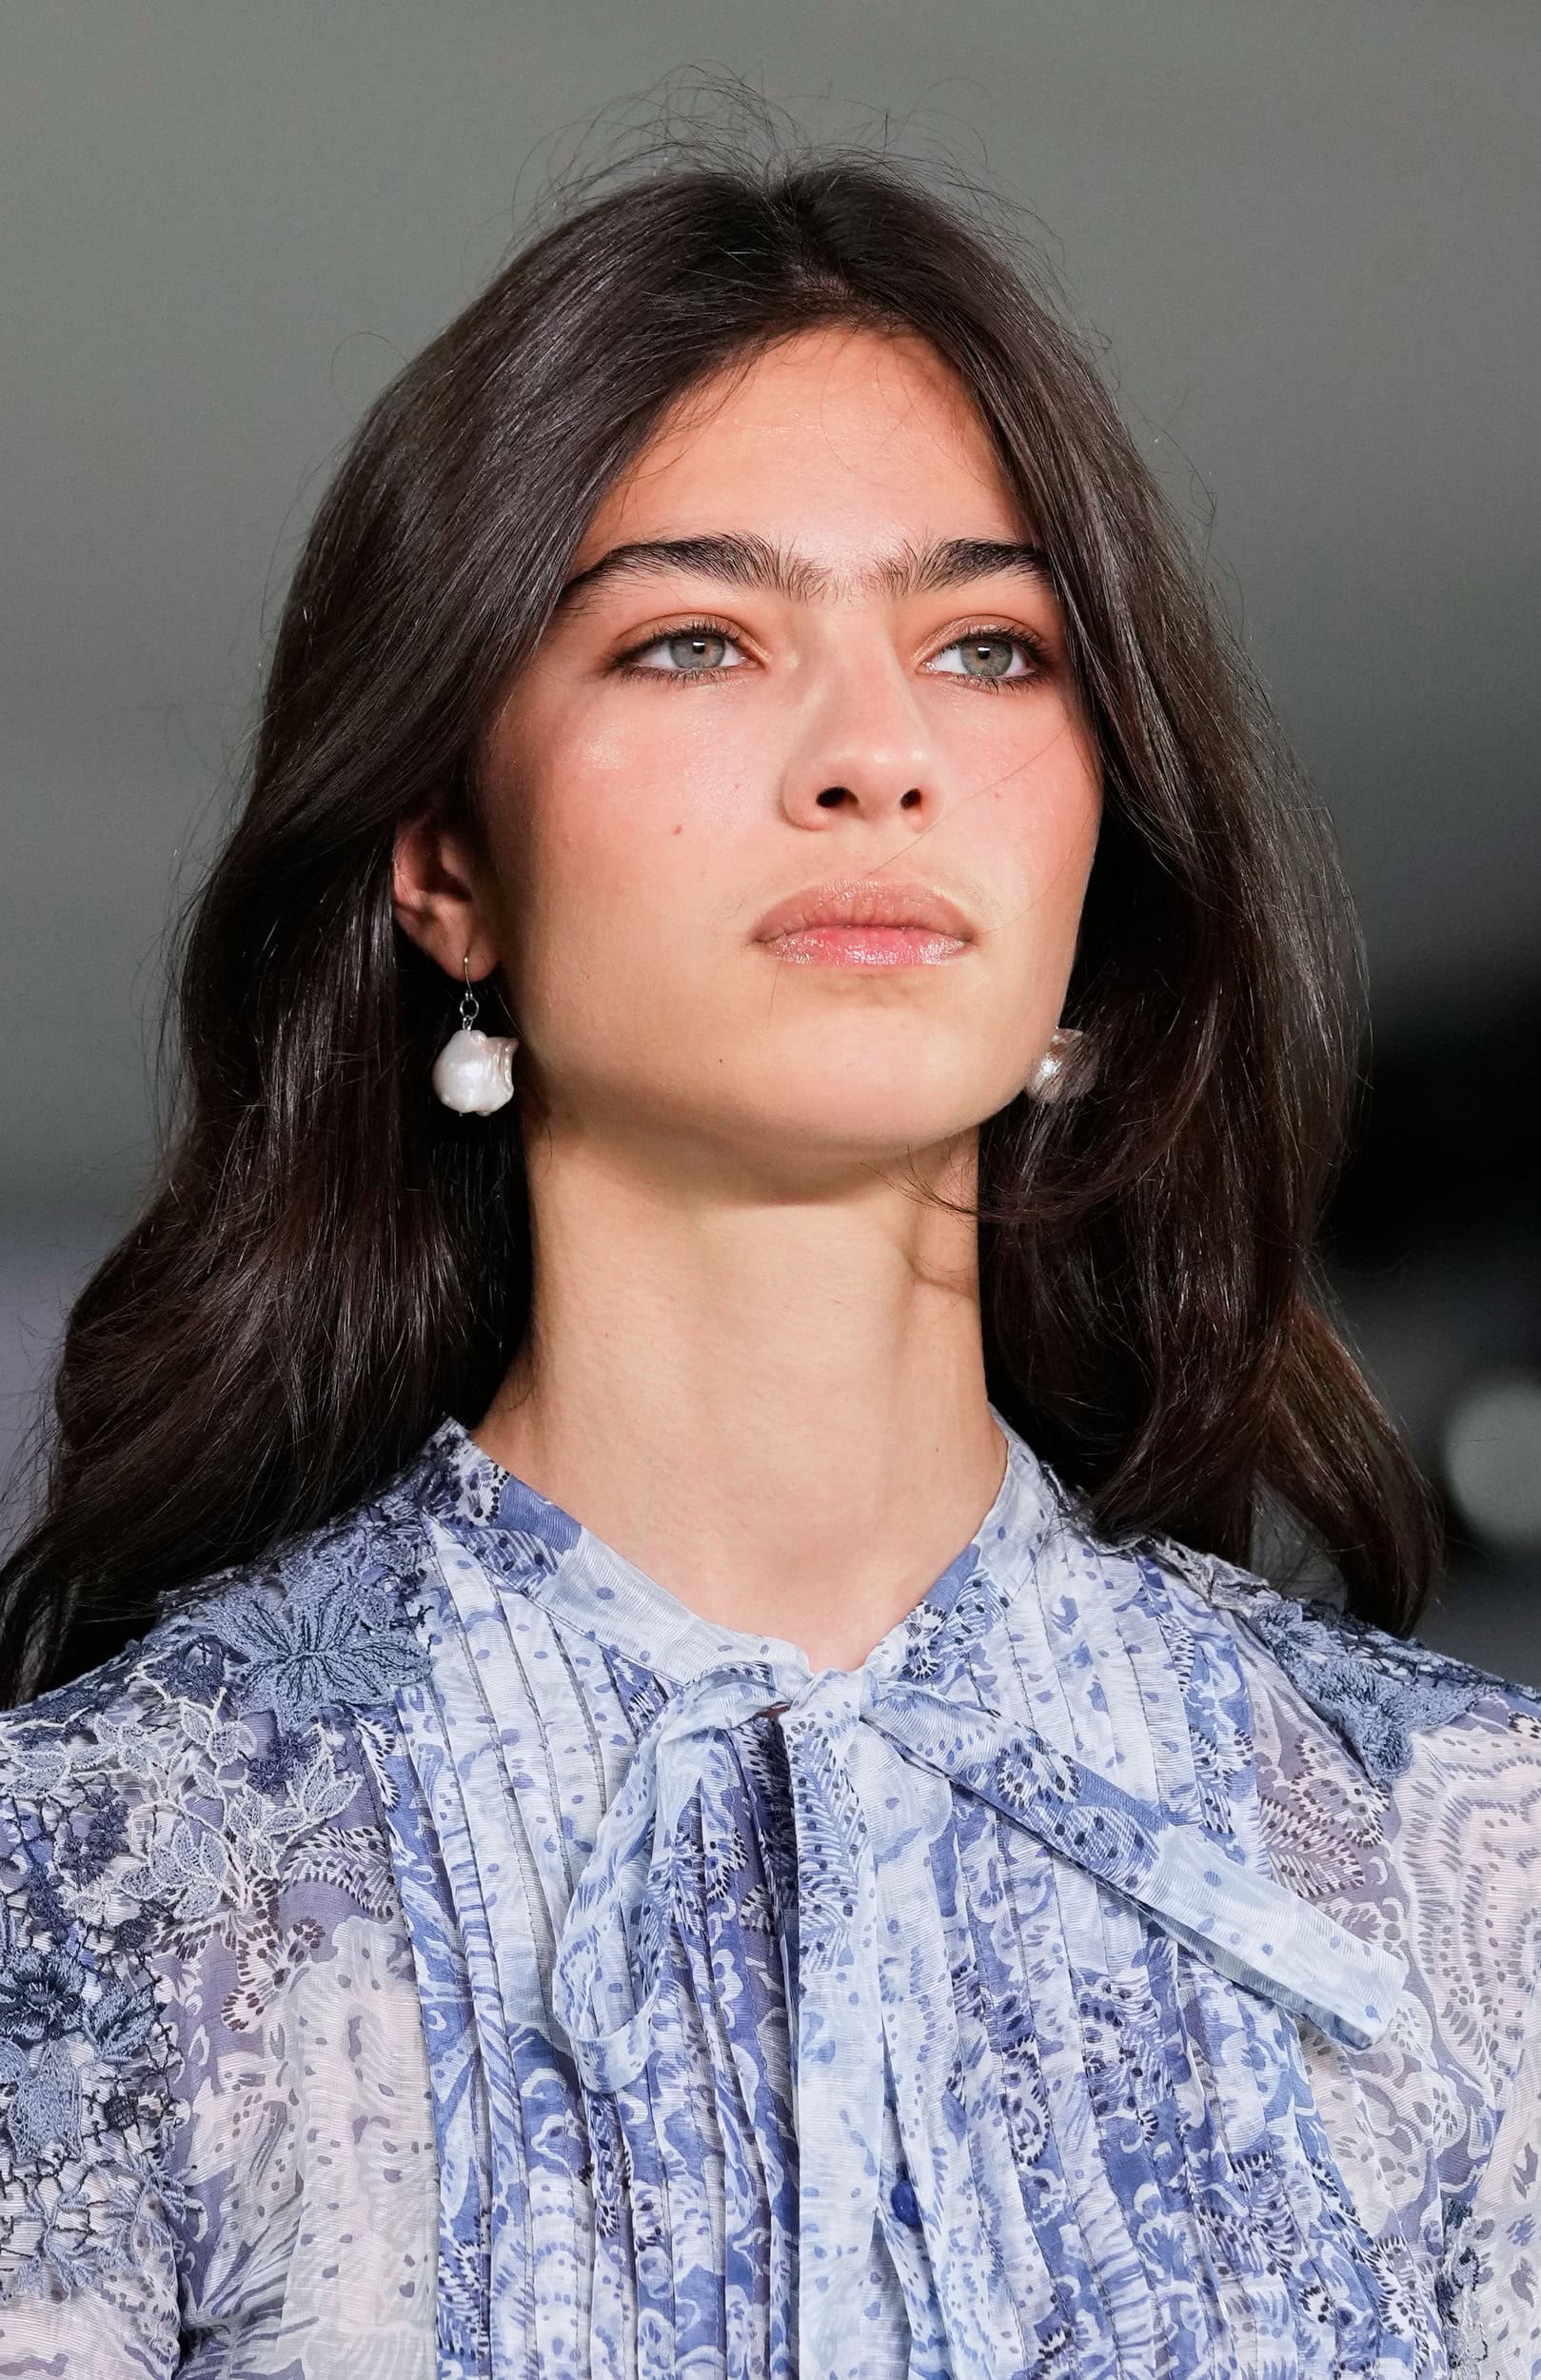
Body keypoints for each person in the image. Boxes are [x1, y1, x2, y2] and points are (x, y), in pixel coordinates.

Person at [0, 126, 1537, 2380]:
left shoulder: (1462, 1865)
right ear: (447, 863)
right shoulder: (112, 1880)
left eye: (990, 646)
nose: (875, 755)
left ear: (1098, 837)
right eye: (698, 638)